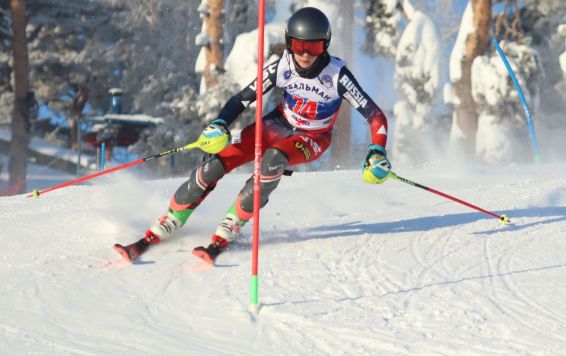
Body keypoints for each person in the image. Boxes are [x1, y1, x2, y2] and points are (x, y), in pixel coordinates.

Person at [116, 7, 391, 263]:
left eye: (314, 46)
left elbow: (375, 115)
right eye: (298, 46)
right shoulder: (282, 66)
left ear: (325, 45)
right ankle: (171, 219)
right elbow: (242, 99)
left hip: (313, 136)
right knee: (215, 162)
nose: (305, 54)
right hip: (277, 124)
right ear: (289, 43)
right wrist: (220, 123)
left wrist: (377, 150)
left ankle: (232, 224)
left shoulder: (338, 75)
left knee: (273, 160)